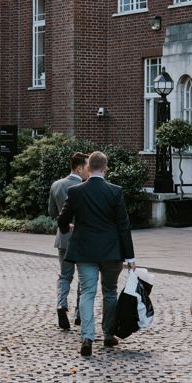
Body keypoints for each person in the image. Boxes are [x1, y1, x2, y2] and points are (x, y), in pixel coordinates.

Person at [56, 151, 136, 356]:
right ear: (106, 168)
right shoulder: (115, 191)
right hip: (111, 252)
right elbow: (123, 226)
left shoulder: (76, 191)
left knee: (87, 292)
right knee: (110, 292)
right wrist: (130, 257)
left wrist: (68, 228)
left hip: (84, 251)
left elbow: (62, 220)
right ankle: (108, 334)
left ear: (88, 168)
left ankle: (87, 337)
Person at [48, 151, 89, 330]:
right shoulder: (84, 187)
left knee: (65, 275)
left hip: (63, 238)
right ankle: (80, 314)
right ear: (79, 168)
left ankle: (61, 304)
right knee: (83, 277)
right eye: (87, 167)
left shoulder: (56, 185)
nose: (88, 170)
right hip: (82, 240)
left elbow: (52, 212)